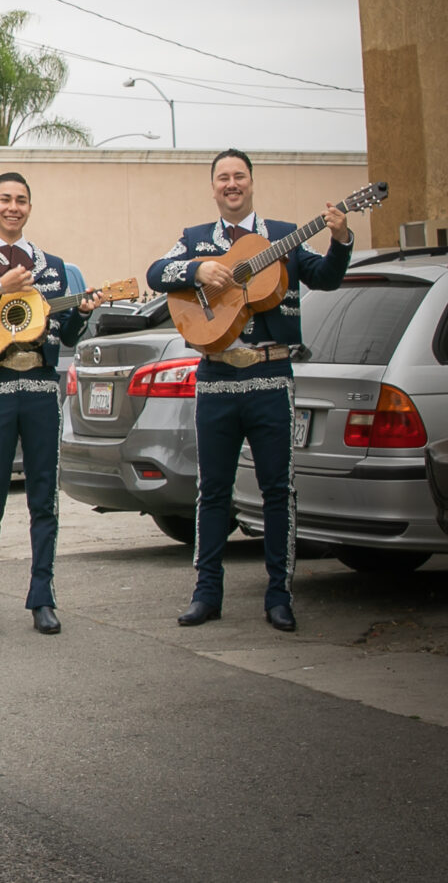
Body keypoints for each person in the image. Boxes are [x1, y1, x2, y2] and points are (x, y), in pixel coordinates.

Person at [148, 149, 351, 633]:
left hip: (270, 378)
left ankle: (279, 595)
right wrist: (198, 271)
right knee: (212, 490)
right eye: (223, 177)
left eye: (239, 176)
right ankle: (206, 593)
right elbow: (158, 272)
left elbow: (326, 277)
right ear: (213, 187)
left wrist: (340, 239)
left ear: (252, 183)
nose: (231, 184)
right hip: (216, 376)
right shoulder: (196, 240)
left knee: (278, 489)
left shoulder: (282, 235)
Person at [0, 172, 101, 639]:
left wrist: (81, 315)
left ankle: (42, 598)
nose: (13, 207)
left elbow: (64, 335)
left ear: (30, 208)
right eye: (5, 199)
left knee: (43, 497)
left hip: (43, 389)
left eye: (21, 200)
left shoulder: (54, 267)